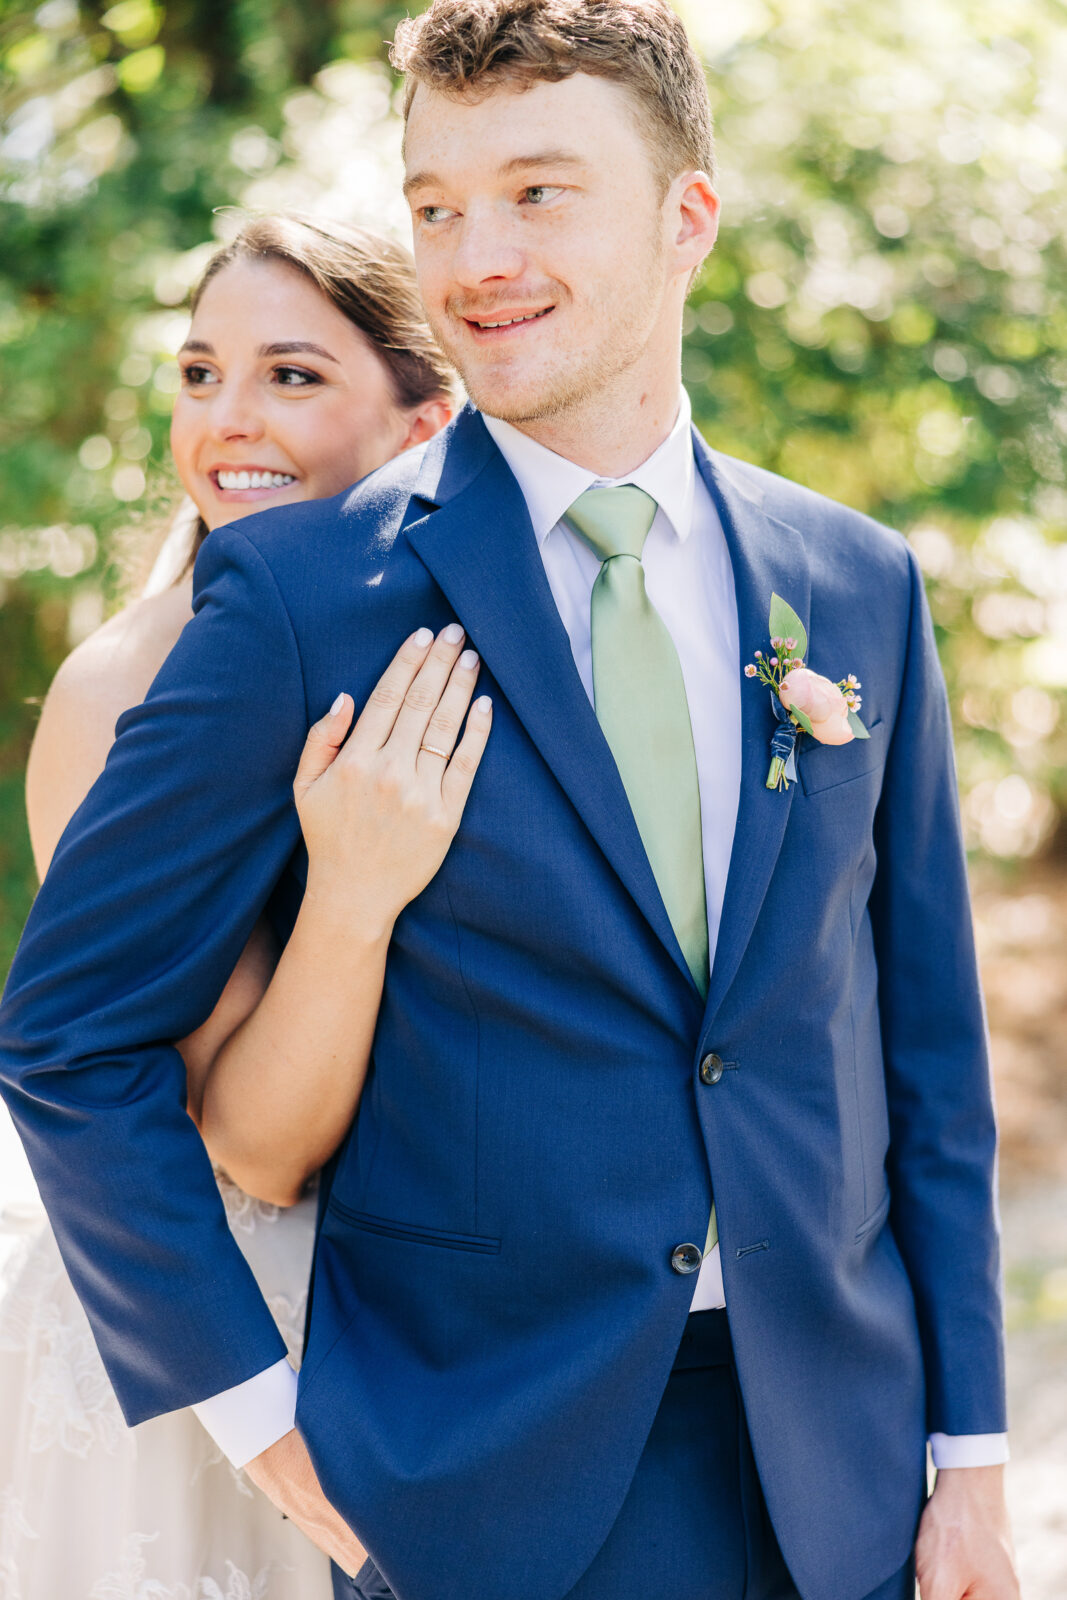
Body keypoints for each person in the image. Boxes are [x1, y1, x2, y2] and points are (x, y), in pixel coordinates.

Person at [0, 4, 1021, 1598]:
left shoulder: (856, 582)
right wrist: (247, 1405)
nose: (475, 256)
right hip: (484, 1486)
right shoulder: (297, 601)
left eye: (538, 192)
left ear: (689, 216)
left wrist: (970, 1460)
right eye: (435, 206)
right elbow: (67, 1036)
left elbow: (926, 1056)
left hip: (849, 1473)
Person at [0, 212, 475, 1597]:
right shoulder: (126, 693)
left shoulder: (447, 650)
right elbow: (253, 1149)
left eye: (292, 375)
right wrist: (356, 893)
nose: (228, 418)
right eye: (201, 373)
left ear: (421, 424)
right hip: (228, 1341)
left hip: (429, 1321)